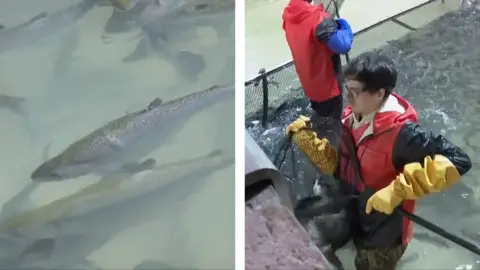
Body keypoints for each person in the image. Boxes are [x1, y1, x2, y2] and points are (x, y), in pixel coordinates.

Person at [286, 51, 472, 270]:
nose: (348, 97)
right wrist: (311, 143)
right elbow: (344, 166)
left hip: (385, 235)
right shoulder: (351, 117)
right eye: (347, 89)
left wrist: (397, 191)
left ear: (379, 94)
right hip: (358, 215)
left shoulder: (403, 133)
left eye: (355, 91)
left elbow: (459, 159)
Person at [282, 0, 353, 120]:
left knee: (319, 112)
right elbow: (343, 46)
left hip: (309, 81)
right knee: (333, 119)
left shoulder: (288, 15)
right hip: (328, 85)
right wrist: (344, 26)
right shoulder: (319, 18)